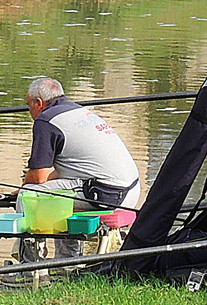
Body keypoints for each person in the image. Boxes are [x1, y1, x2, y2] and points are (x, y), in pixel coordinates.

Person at [19, 77, 142, 263]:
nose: (30, 111)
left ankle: (30, 269)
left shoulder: (46, 120)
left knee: (29, 196)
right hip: (131, 190)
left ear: (39, 103)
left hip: (106, 192)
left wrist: (20, 189)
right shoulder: (78, 110)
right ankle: (67, 265)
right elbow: (64, 172)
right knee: (58, 195)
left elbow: (38, 177)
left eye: (29, 105)